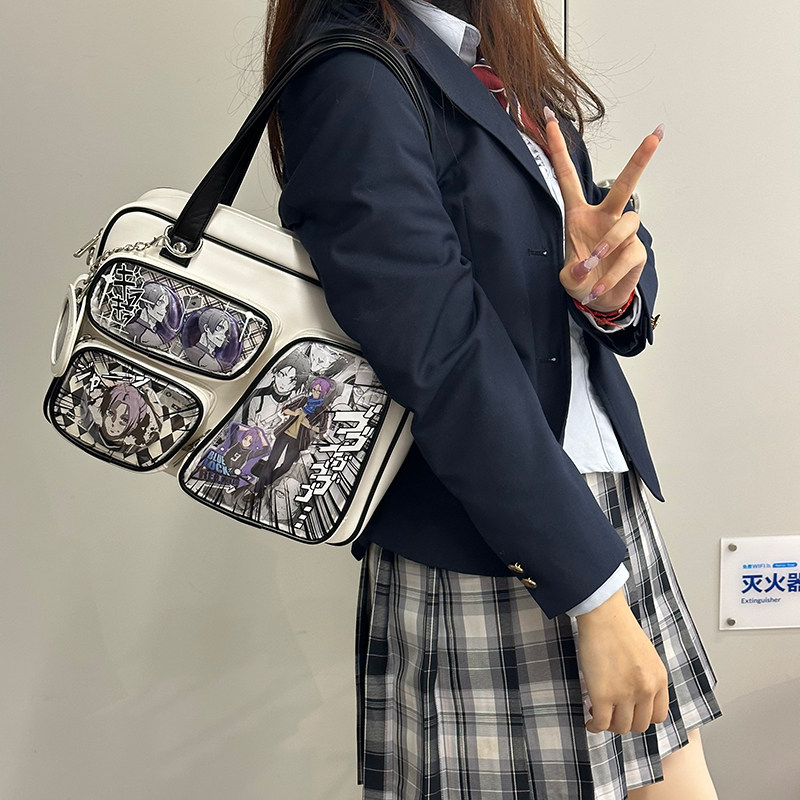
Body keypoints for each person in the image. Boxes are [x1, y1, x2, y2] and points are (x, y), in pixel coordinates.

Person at [262, 1, 722, 797]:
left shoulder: (487, 56)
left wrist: (610, 289)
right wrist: (593, 594)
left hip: (592, 503)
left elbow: (565, 239)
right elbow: (442, 355)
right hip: (497, 537)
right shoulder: (351, 75)